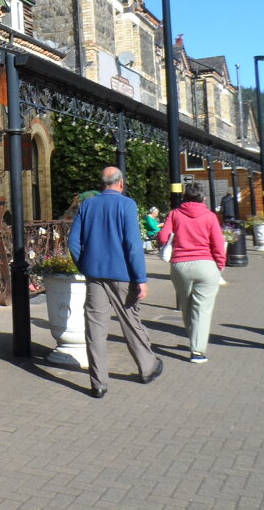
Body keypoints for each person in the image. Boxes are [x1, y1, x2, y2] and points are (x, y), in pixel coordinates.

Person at [68, 166, 163, 398]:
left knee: (95, 328)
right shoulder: (127, 205)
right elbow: (132, 245)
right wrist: (141, 278)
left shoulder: (88, 205)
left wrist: (85, 265)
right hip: (122, 275)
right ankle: (147, 367)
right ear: (121, 183)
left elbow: (73, 242)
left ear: (103, 183)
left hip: (95, 276)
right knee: (131, 322)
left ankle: (98, 383)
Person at [157, 186, 227, 363]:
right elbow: (218, 243)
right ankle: (197, 351)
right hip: (206, 264)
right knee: (202, 310)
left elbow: (163, 237)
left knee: (187, 307)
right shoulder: (210, 216)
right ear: (203, 199)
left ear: (184, 198)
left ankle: (194, 337)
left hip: (180, 265)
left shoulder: (175, 214)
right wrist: (219, 265)